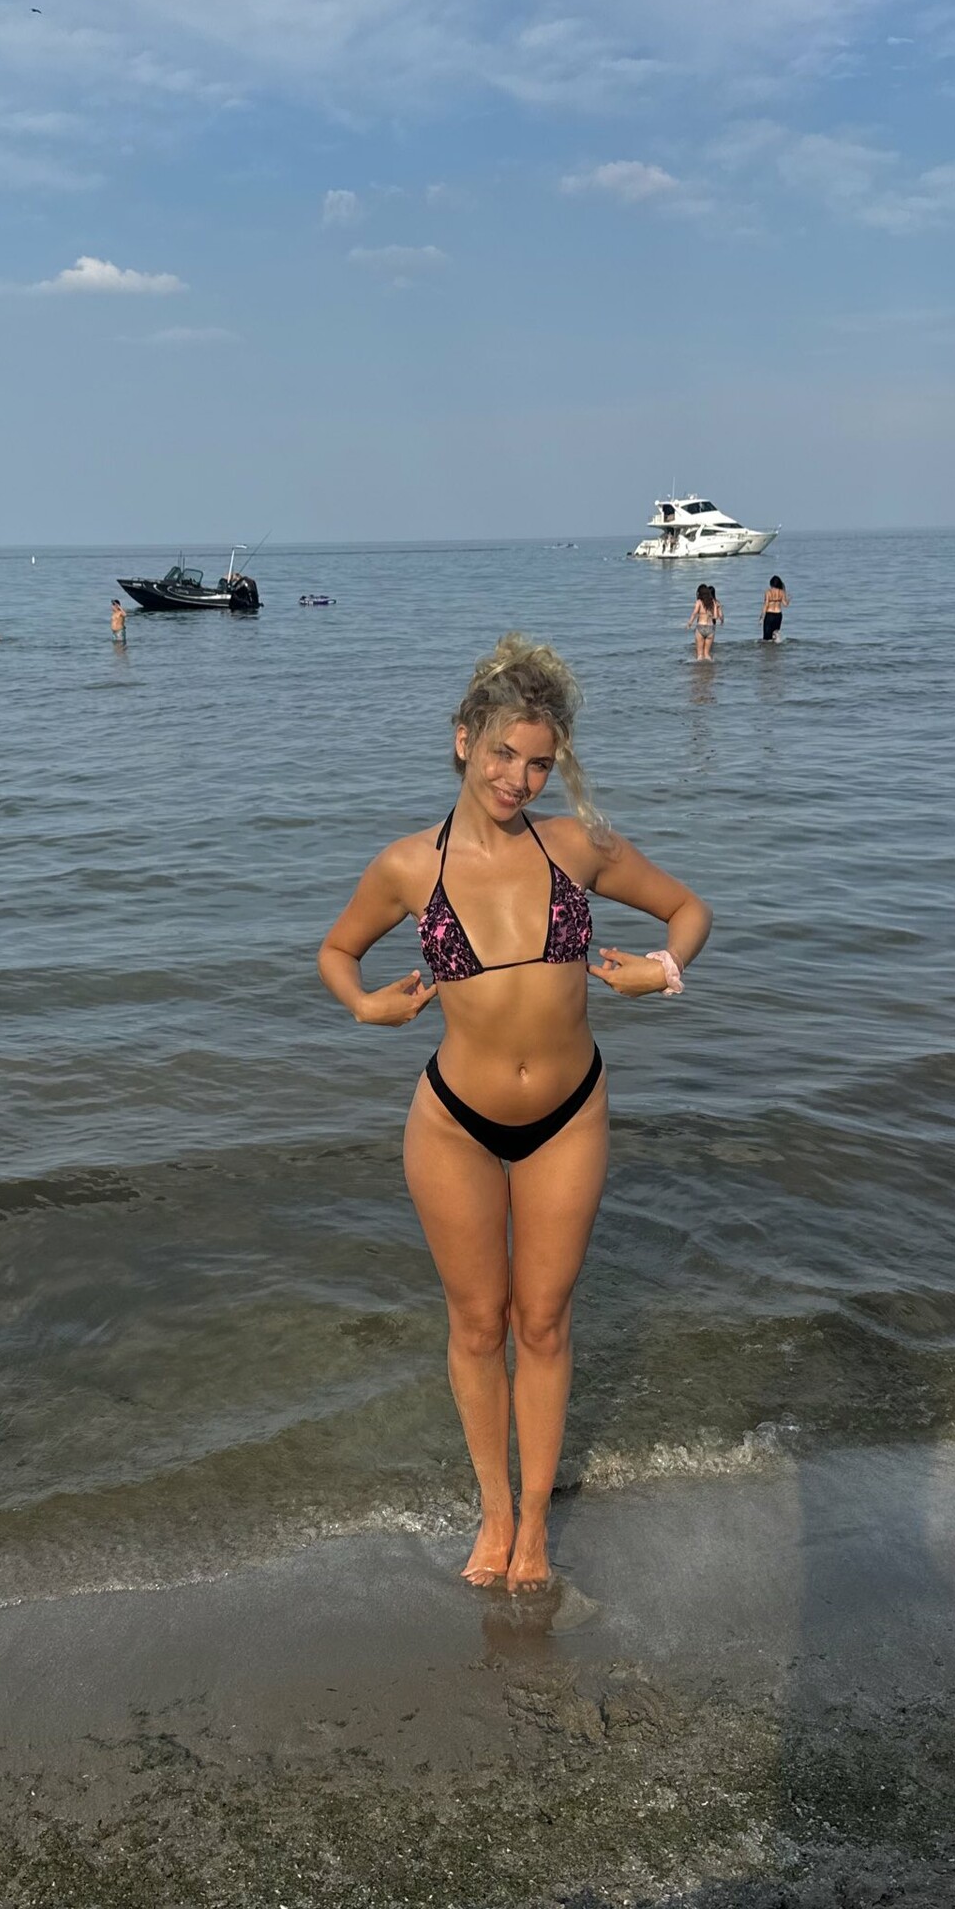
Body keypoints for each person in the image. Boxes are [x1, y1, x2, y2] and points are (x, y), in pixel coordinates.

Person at [318, 635, 713, 1595]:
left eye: (539, 762)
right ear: (465, 739)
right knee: (475, 1322)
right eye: (502, 752)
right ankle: (492, 1511)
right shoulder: (409, 866)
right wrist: (366, 1007)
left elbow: (688, 911)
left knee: (542, 1323)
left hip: (570, 1115)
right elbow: (336, 951)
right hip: (453, 1120)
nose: (518, 778)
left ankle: (534, 1525)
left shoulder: (575, 847)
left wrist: (662, 972)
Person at [687, 583, 722, 662]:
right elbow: (715, 617)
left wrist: (689, 623)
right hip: (710, 628)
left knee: (700, 655)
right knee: (707, 654)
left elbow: (694, 613)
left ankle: (700, 668)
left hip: (701, 627)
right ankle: (710, 667)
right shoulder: (713, 602)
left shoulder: (699, 602)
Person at [760, 575, 790, 642]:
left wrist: (762, 617)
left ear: (771, 583)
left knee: (766, 637)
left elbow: (766, 604)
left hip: (769, 615)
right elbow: (785, 604)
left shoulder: (768, 592)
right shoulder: (781, 592)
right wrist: (789, 599)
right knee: (775, 634)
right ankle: (776, 647)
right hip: (778, 615)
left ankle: (767, 648)